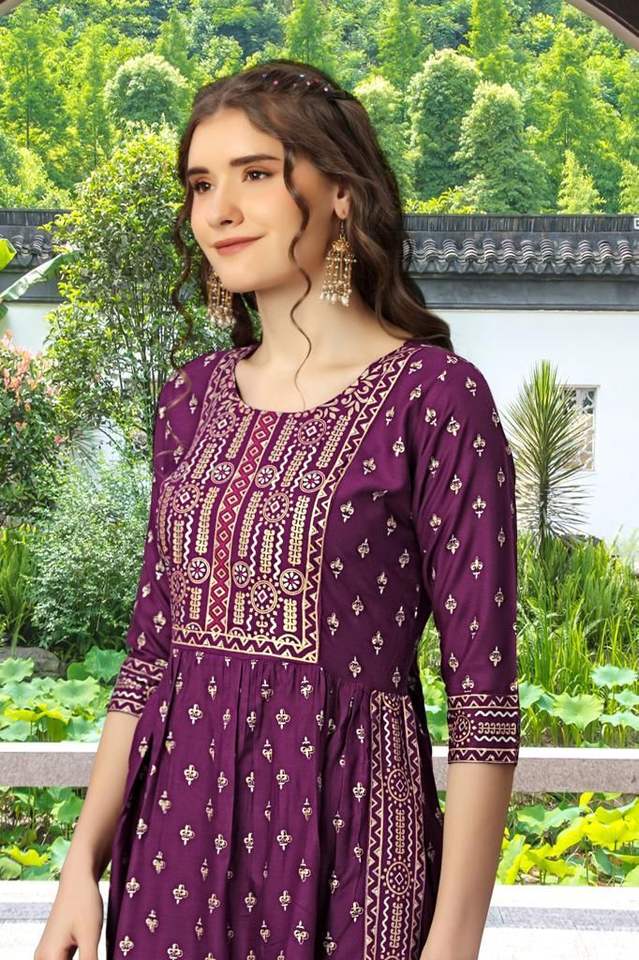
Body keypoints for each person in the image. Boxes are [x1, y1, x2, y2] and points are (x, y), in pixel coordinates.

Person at [35, 59, 520, 960]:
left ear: (341, 191)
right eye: (200, 184)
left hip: (352, 843)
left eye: (255, 174)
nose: (218, 209)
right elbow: (150, 656)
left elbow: (483, 697)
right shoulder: (190, 399)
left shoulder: (433, 398)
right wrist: (78, 869)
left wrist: (453, 946)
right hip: (173, 839)